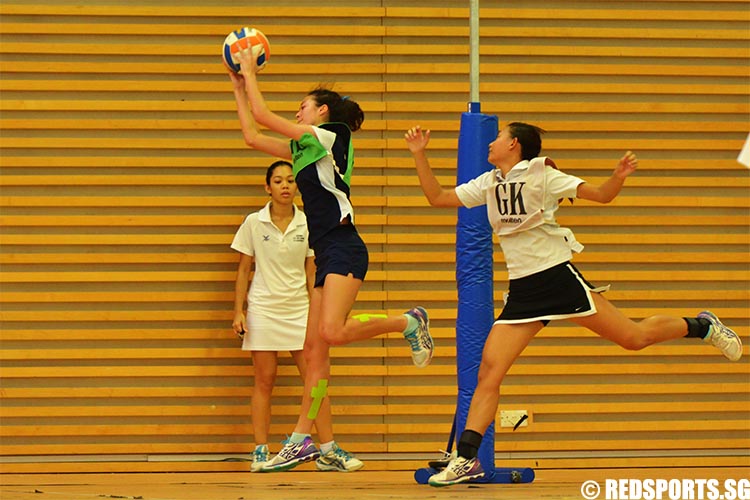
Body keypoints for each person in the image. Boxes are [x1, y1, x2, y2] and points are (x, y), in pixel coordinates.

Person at [404, 123, 743, 487]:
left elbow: (600, 195)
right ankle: (467, 459)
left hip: (556, 278)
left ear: (514, 144)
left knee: (634, 337)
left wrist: (617, 177)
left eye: (498, 137)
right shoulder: (488, 183)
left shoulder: (544, 175)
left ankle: (704, 325)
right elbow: (437, 197)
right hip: (523, 290)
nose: (491, 142)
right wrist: (419, 154)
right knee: (489, 372)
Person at [227, 48, 434, 472]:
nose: (296, 111)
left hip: (344, 245)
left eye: (302, 106)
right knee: (315, 355)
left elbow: (265, 116)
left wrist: (251, 73)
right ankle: (306, 439)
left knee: (332, 332)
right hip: (325, 253)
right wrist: (238, 88)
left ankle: (408, 322)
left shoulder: (330, 135)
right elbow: (251, 134)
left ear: (321, 111)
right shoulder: (302, 148)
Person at [231, 160, 363, 472]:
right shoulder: (253, 222)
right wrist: (239, 310)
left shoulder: (309, 223)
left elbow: (312, 272)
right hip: (263, 309)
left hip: (299, 310)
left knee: (315, 381)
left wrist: (321, 311)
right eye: (278, 181)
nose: (286, 186)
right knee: (264, 380)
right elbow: (243, 269)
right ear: (268, 187)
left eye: (291, 180)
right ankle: (261, 450)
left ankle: (329, 449)